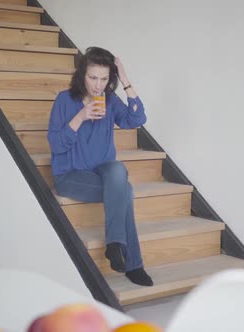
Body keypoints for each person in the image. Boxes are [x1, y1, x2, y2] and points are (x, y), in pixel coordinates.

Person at [47, 47, 153, 287]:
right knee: (124, 191)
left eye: (104, 79)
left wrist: (125, 80)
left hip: (103, 171)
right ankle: (132, 262)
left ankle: (114, 244)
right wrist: (81, 117)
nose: (98, 85)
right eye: (93, 77)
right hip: (71, 175)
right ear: (82, 74)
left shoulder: (110, 100)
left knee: (117, 169)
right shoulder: (65, 100)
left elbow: (136, 120)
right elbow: (55, 144)